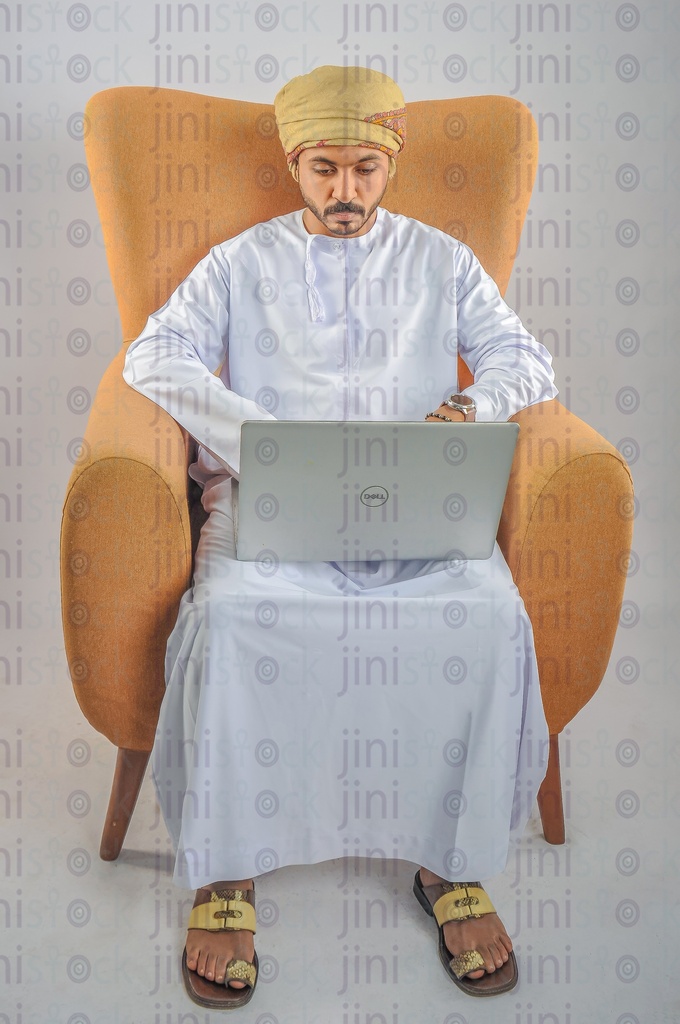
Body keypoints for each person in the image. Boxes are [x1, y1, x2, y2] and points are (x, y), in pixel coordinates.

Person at [123, 65, 558, 1008]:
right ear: (293, 163)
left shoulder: (441, 259)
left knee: (486, 615)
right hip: (274, 503)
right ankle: (228, 868)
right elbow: (154, 353)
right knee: (235, 623)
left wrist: (475, 403)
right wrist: (255, 442)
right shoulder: (241, 263)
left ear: (389, 162)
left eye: (366, 168)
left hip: (417, 502)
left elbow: (526, 354)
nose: (346, 192)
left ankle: (452, 864)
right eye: (324, 168)